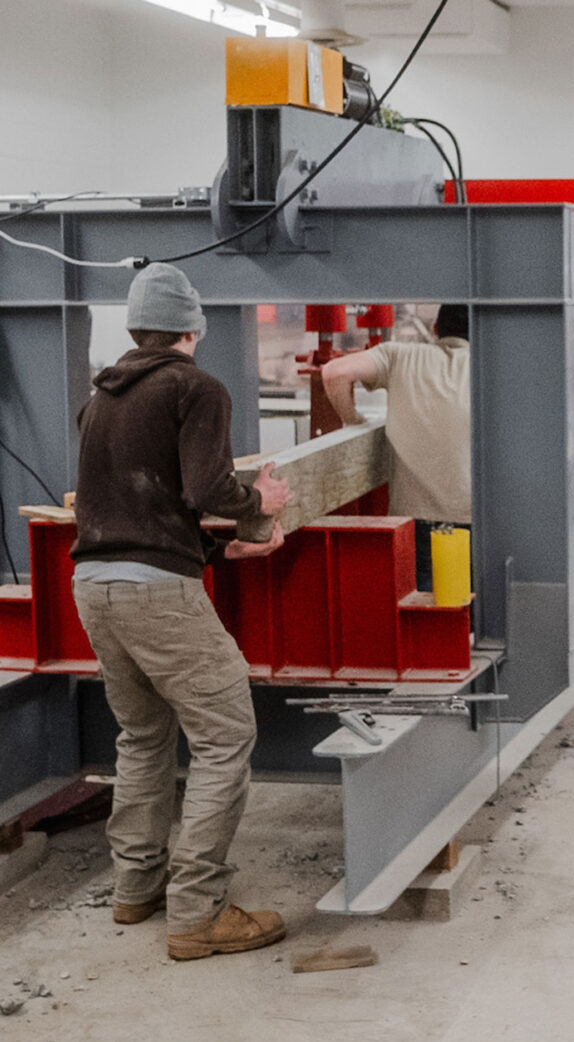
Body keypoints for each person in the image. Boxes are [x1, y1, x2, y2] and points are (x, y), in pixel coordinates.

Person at [72, 262, 294, 961]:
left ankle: (135, 888)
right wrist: (263, 505)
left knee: (141, 737)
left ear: (138, 328)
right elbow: (208, 485)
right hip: (155, 594)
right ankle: (198, 910)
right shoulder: (196, 387)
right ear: (193, 327)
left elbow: (142, 505)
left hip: (94, 586)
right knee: (226, 734)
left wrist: (222, 552)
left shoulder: (99, 398)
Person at [317, 304, 473, 526]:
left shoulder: (398, 355)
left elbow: (335, 372)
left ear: (434, 328)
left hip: (410, 522)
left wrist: (353, 420)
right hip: (476, 519)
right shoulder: (493, 367)